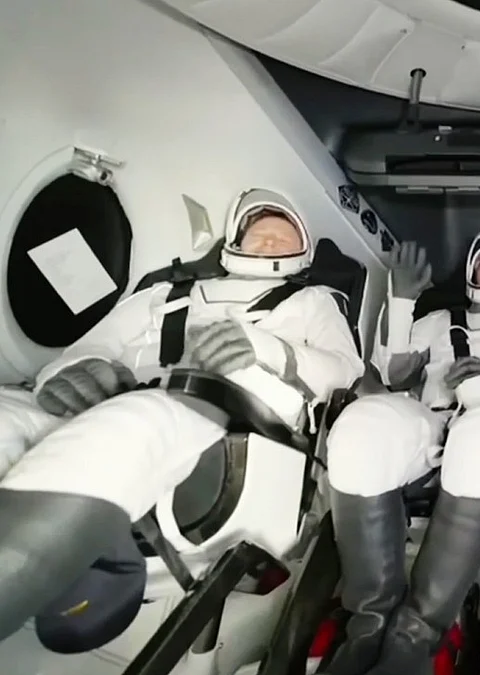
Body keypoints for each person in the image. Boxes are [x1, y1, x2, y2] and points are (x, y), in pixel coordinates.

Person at [0, 188, 364, 644]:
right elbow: (91, 346)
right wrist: (73, 371)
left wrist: (269, 349)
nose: (270, 242)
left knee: (133, 426)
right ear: (234, 239)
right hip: (103, 401)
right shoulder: (164, 293)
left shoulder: (312, 302)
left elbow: (344, 371)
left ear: (303, 253)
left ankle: (37, 560)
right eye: (260, 234)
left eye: (282, 237)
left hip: (228, 419)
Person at [323, 230, 480, 675]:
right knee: (360, 424)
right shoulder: (437, 321)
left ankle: (412, 641)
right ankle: (368, 627)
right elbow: (394, 374)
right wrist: (401, 302)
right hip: (432, 418)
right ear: (471, 275)